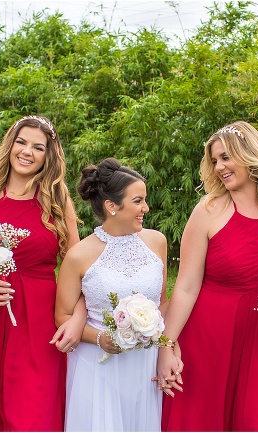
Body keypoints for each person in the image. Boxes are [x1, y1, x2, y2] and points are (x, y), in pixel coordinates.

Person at [157, 121, 258, 431]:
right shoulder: (207, 211)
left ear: (250, 155)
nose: (219, 167)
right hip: (210, 334)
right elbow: (185, 286)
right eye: (214, 160)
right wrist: (166, 346)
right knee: (203, 418)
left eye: (226, 157)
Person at [0, 115, 82, 431]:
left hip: (37, 320)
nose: (27, 152)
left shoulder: (58, 202)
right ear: (9, 146)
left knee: (31, 410)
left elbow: (79, 269)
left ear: (49, 156)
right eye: (21, 142)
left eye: (38, 147)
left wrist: (77, 317)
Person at [55, 158, 169, 431]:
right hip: (98, 364)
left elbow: (163, 303)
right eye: (138, 201)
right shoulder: (79, 255)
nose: (146, 208)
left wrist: (164, 344)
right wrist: (101, 338)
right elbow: (63, 315)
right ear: (111, 206)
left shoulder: (157, 242)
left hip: (144, 362)